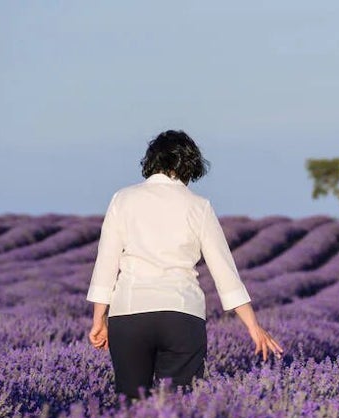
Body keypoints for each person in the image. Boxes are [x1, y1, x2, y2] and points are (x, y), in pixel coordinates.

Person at [86, 129, 282, 399]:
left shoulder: (123, 199)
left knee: (130, 405)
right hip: (181, 315)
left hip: (130, 313)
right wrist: (253, 326)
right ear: (189, 165)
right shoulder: (198, 206)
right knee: (178, 409)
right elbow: (224, 271)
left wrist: (100, 319)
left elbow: (106, 262)